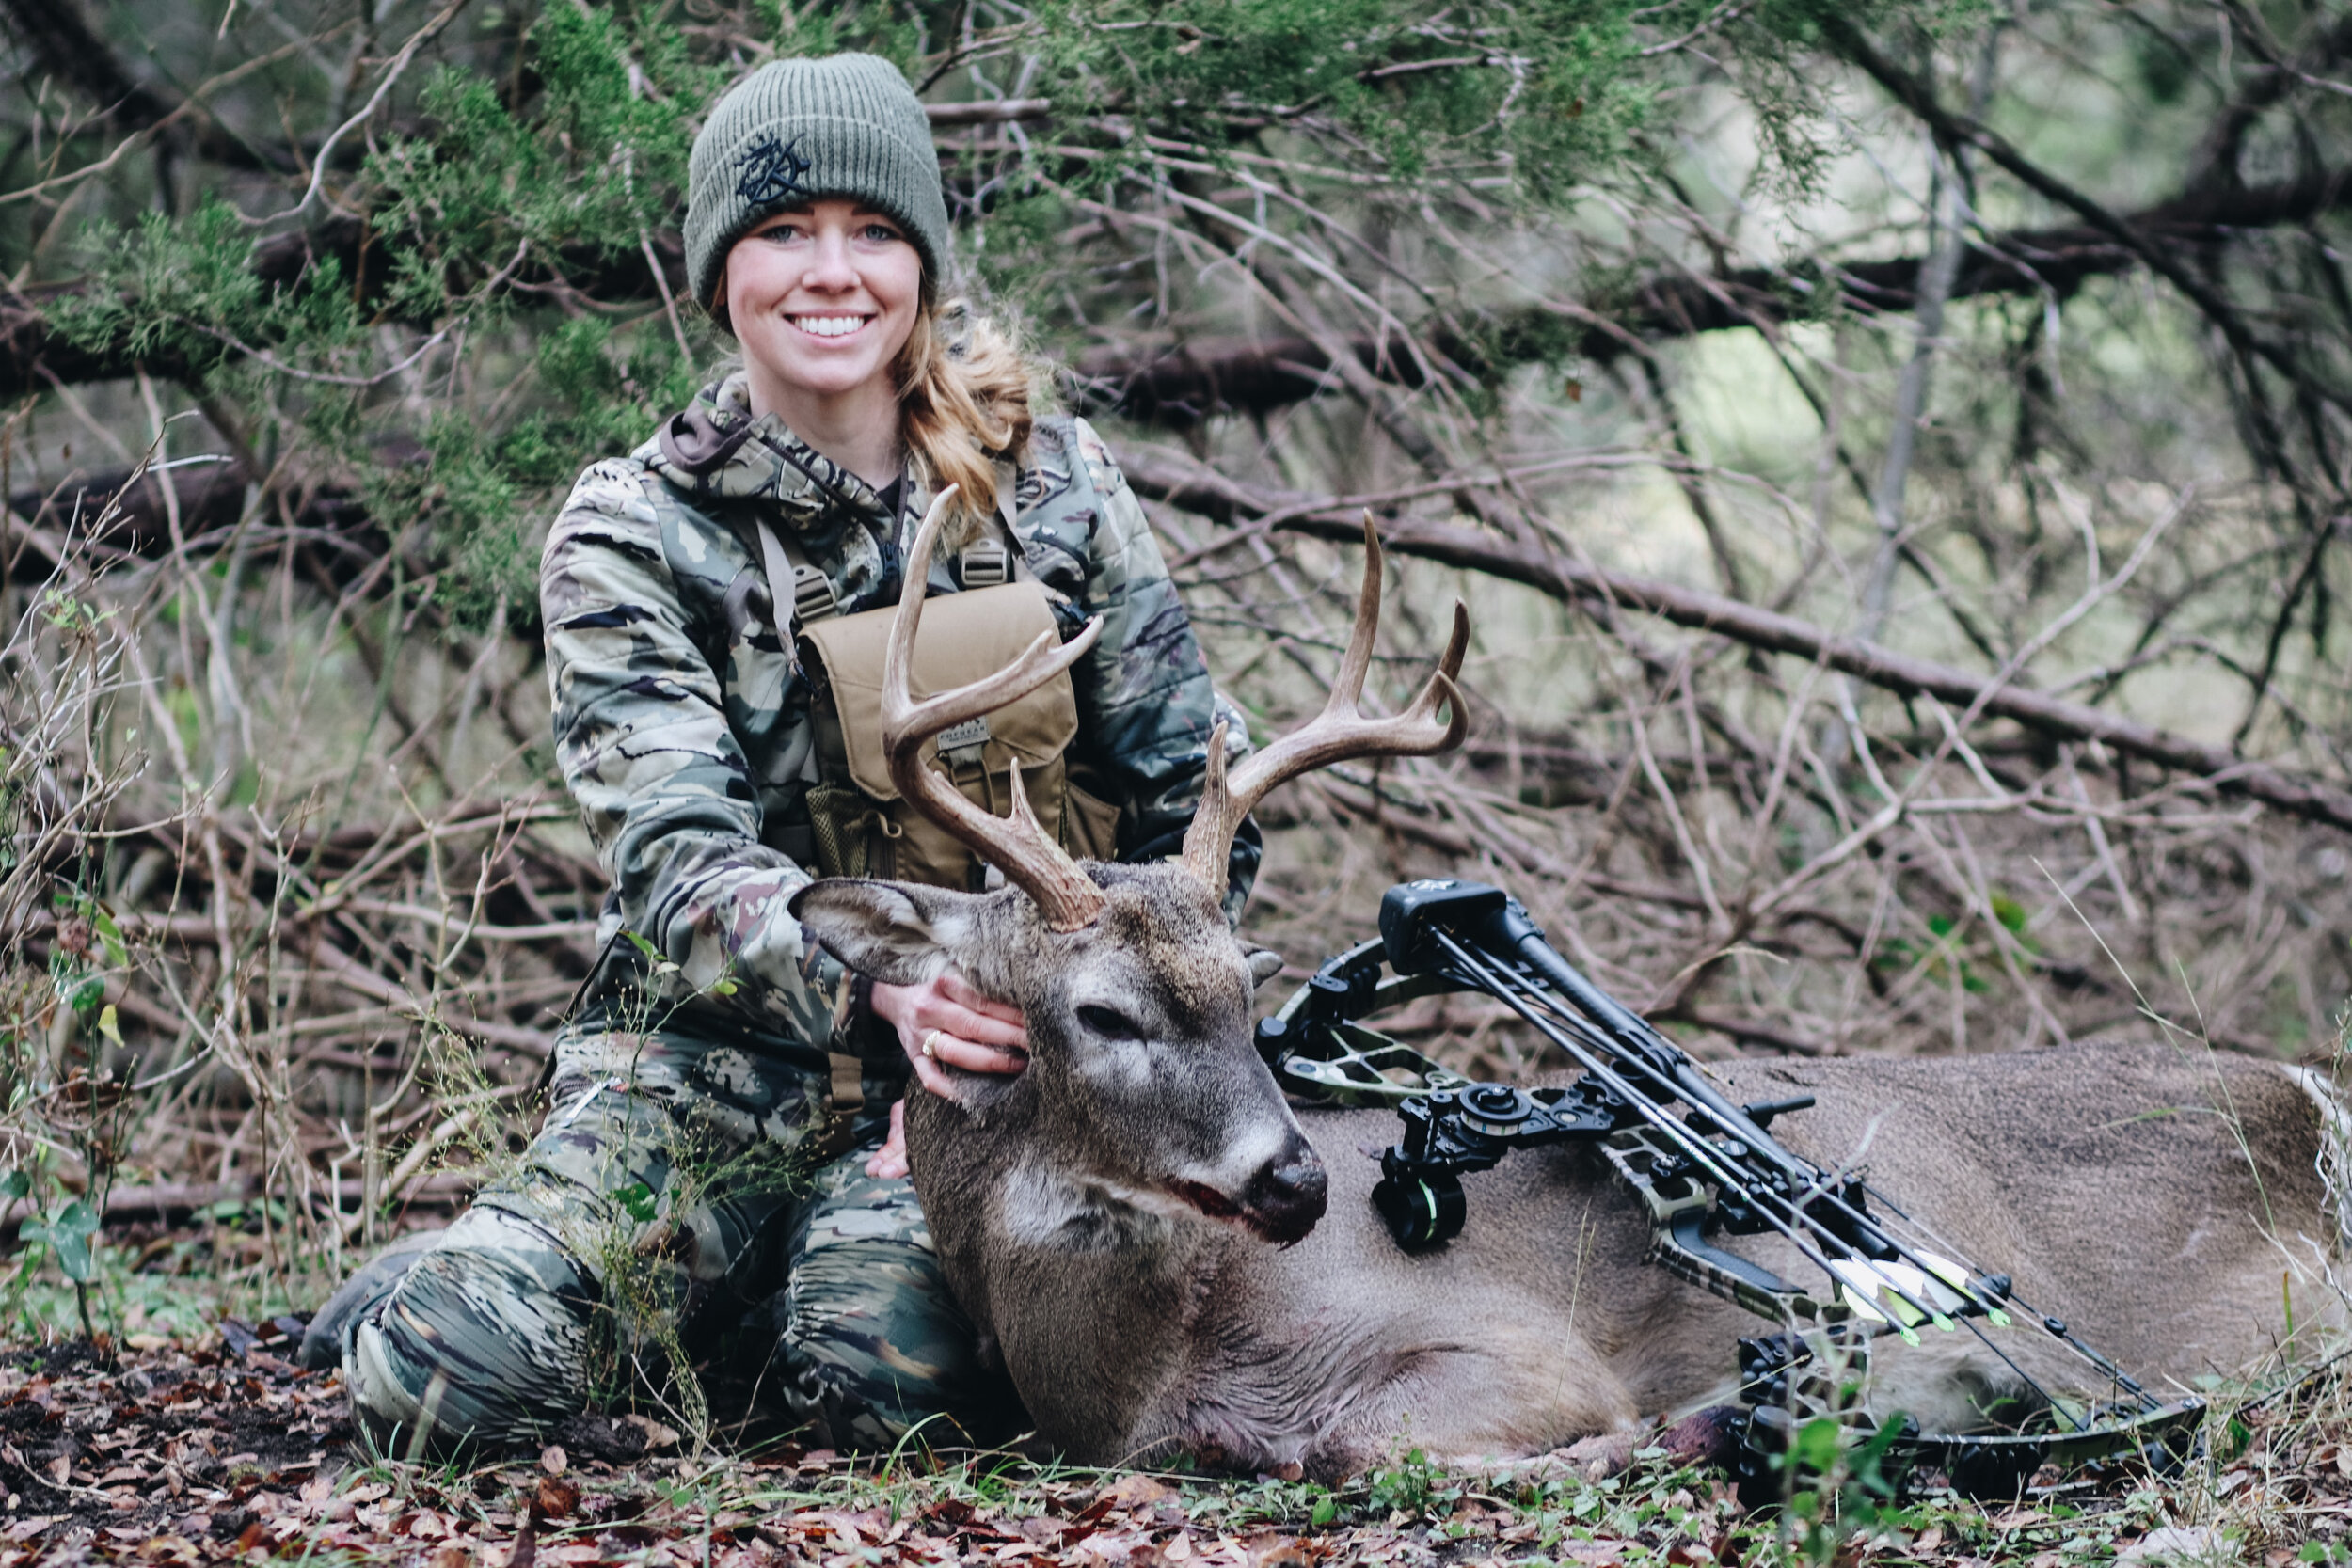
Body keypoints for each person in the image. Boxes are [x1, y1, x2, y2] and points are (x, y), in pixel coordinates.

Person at [300, 52, 1257, 1452]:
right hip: (719, 1070)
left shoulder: (1055, 485)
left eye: (874, 232)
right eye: (782, 233)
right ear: (719, 272)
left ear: (921, 264)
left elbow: (1198, 801)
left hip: (1026, 1079)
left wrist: (1107, 1045)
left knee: (891, 1388)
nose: (833, 273)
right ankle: (602, 1276)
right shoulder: (635, 531)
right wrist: (891, 995)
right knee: (445, 1376)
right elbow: (677, 866)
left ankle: (781, 1300)